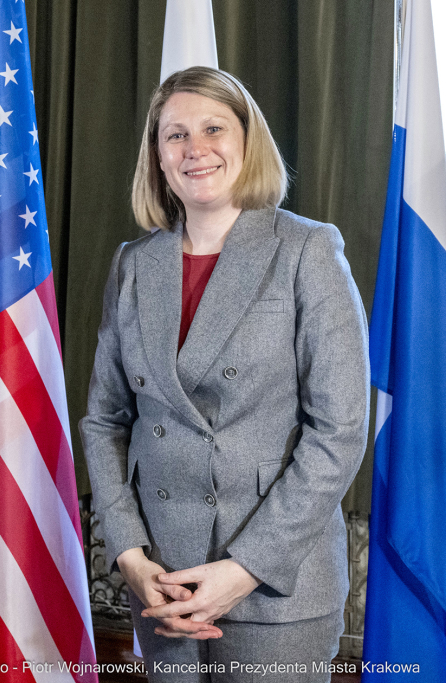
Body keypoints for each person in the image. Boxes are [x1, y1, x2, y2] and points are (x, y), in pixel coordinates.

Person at [79, 66, 369, 681]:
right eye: (174, 135)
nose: (195, 149)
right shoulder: (134, 265)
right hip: (164, 583)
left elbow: (338, 432)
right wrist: (129, 555)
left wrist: (244, 569)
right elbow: (104, 421)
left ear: (247, 140)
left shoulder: (307, 250)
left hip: (275, 585)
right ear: (157, 157)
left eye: (213, 128)